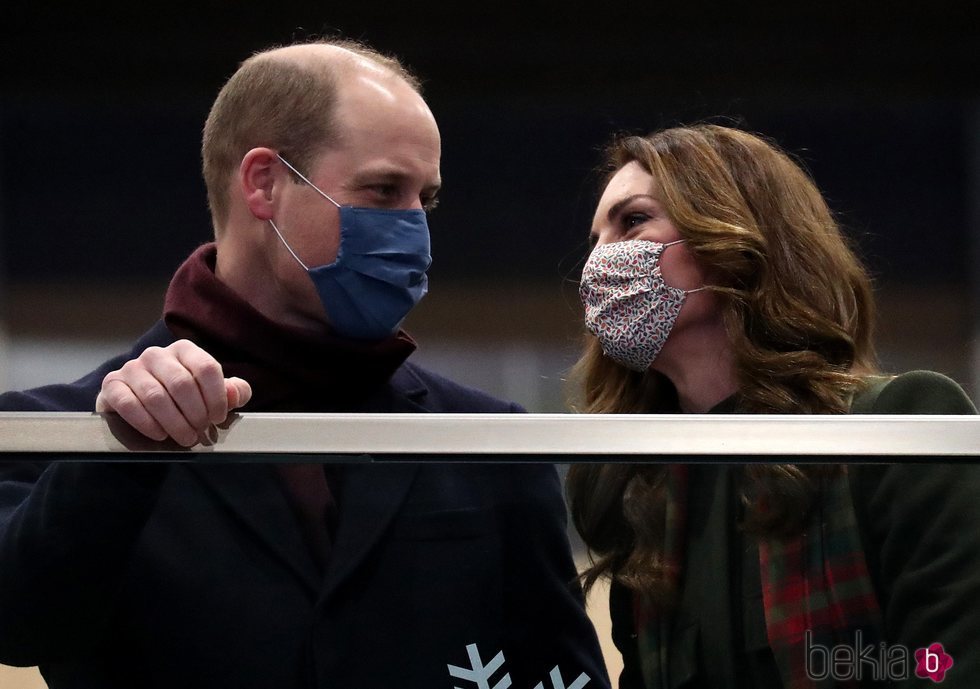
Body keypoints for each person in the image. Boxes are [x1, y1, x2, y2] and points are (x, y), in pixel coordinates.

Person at [0, 39, 609, 689]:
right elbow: (21, 626)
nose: (415, 232)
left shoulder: (487, 441)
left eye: (423, 201)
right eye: (382, 190)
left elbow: (562, 674)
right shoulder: (54, 431)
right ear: (265, 183)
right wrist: (117, 457)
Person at [565, 124, 980, 689]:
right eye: (595, 240)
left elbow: (951, 664)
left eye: (633, 221)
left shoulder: (896, 425)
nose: (599, 265)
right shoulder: (645, 485)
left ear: (735, 235)